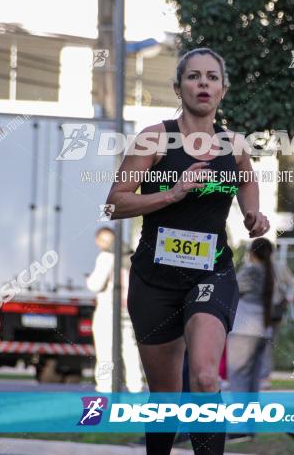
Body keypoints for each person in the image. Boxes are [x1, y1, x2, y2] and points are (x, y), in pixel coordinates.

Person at [105, 47, 270, 455]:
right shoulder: (155, 138)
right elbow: (114, 203)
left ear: (223, 90)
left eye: (212, 77)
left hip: (210, 272)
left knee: (204, 377)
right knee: (164, 398)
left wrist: (253, 214)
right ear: (178, 87)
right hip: (154, 280)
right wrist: (172, 193)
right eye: (194, 77)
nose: (203, 84)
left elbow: (247, 181)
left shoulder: (233, 144)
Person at [86, 226, 145, 393]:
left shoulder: (106, 257)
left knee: (105, 351)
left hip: (108, 309)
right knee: (130, 349)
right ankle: (135, 385)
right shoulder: (131, 256)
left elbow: (95, 284)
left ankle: (105, 387)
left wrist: (89, 280)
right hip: (128, 310)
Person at [227, 238, 275, 393]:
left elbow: (231, 288)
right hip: (263, 329)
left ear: (252, 253)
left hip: (244, 331)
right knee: (253, 381)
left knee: (238, 377)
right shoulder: (272, 272)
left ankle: (240, 416)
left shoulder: (252, 271)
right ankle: (250, 416)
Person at [259, 253, 294, 388]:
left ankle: (264, 376)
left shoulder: (279, 267)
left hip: (275, 311)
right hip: (258, 311)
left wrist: (290, 296)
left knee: (267, 343)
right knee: (262, 343)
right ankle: (261, 375)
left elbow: (291, 284)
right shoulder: (254, 267)